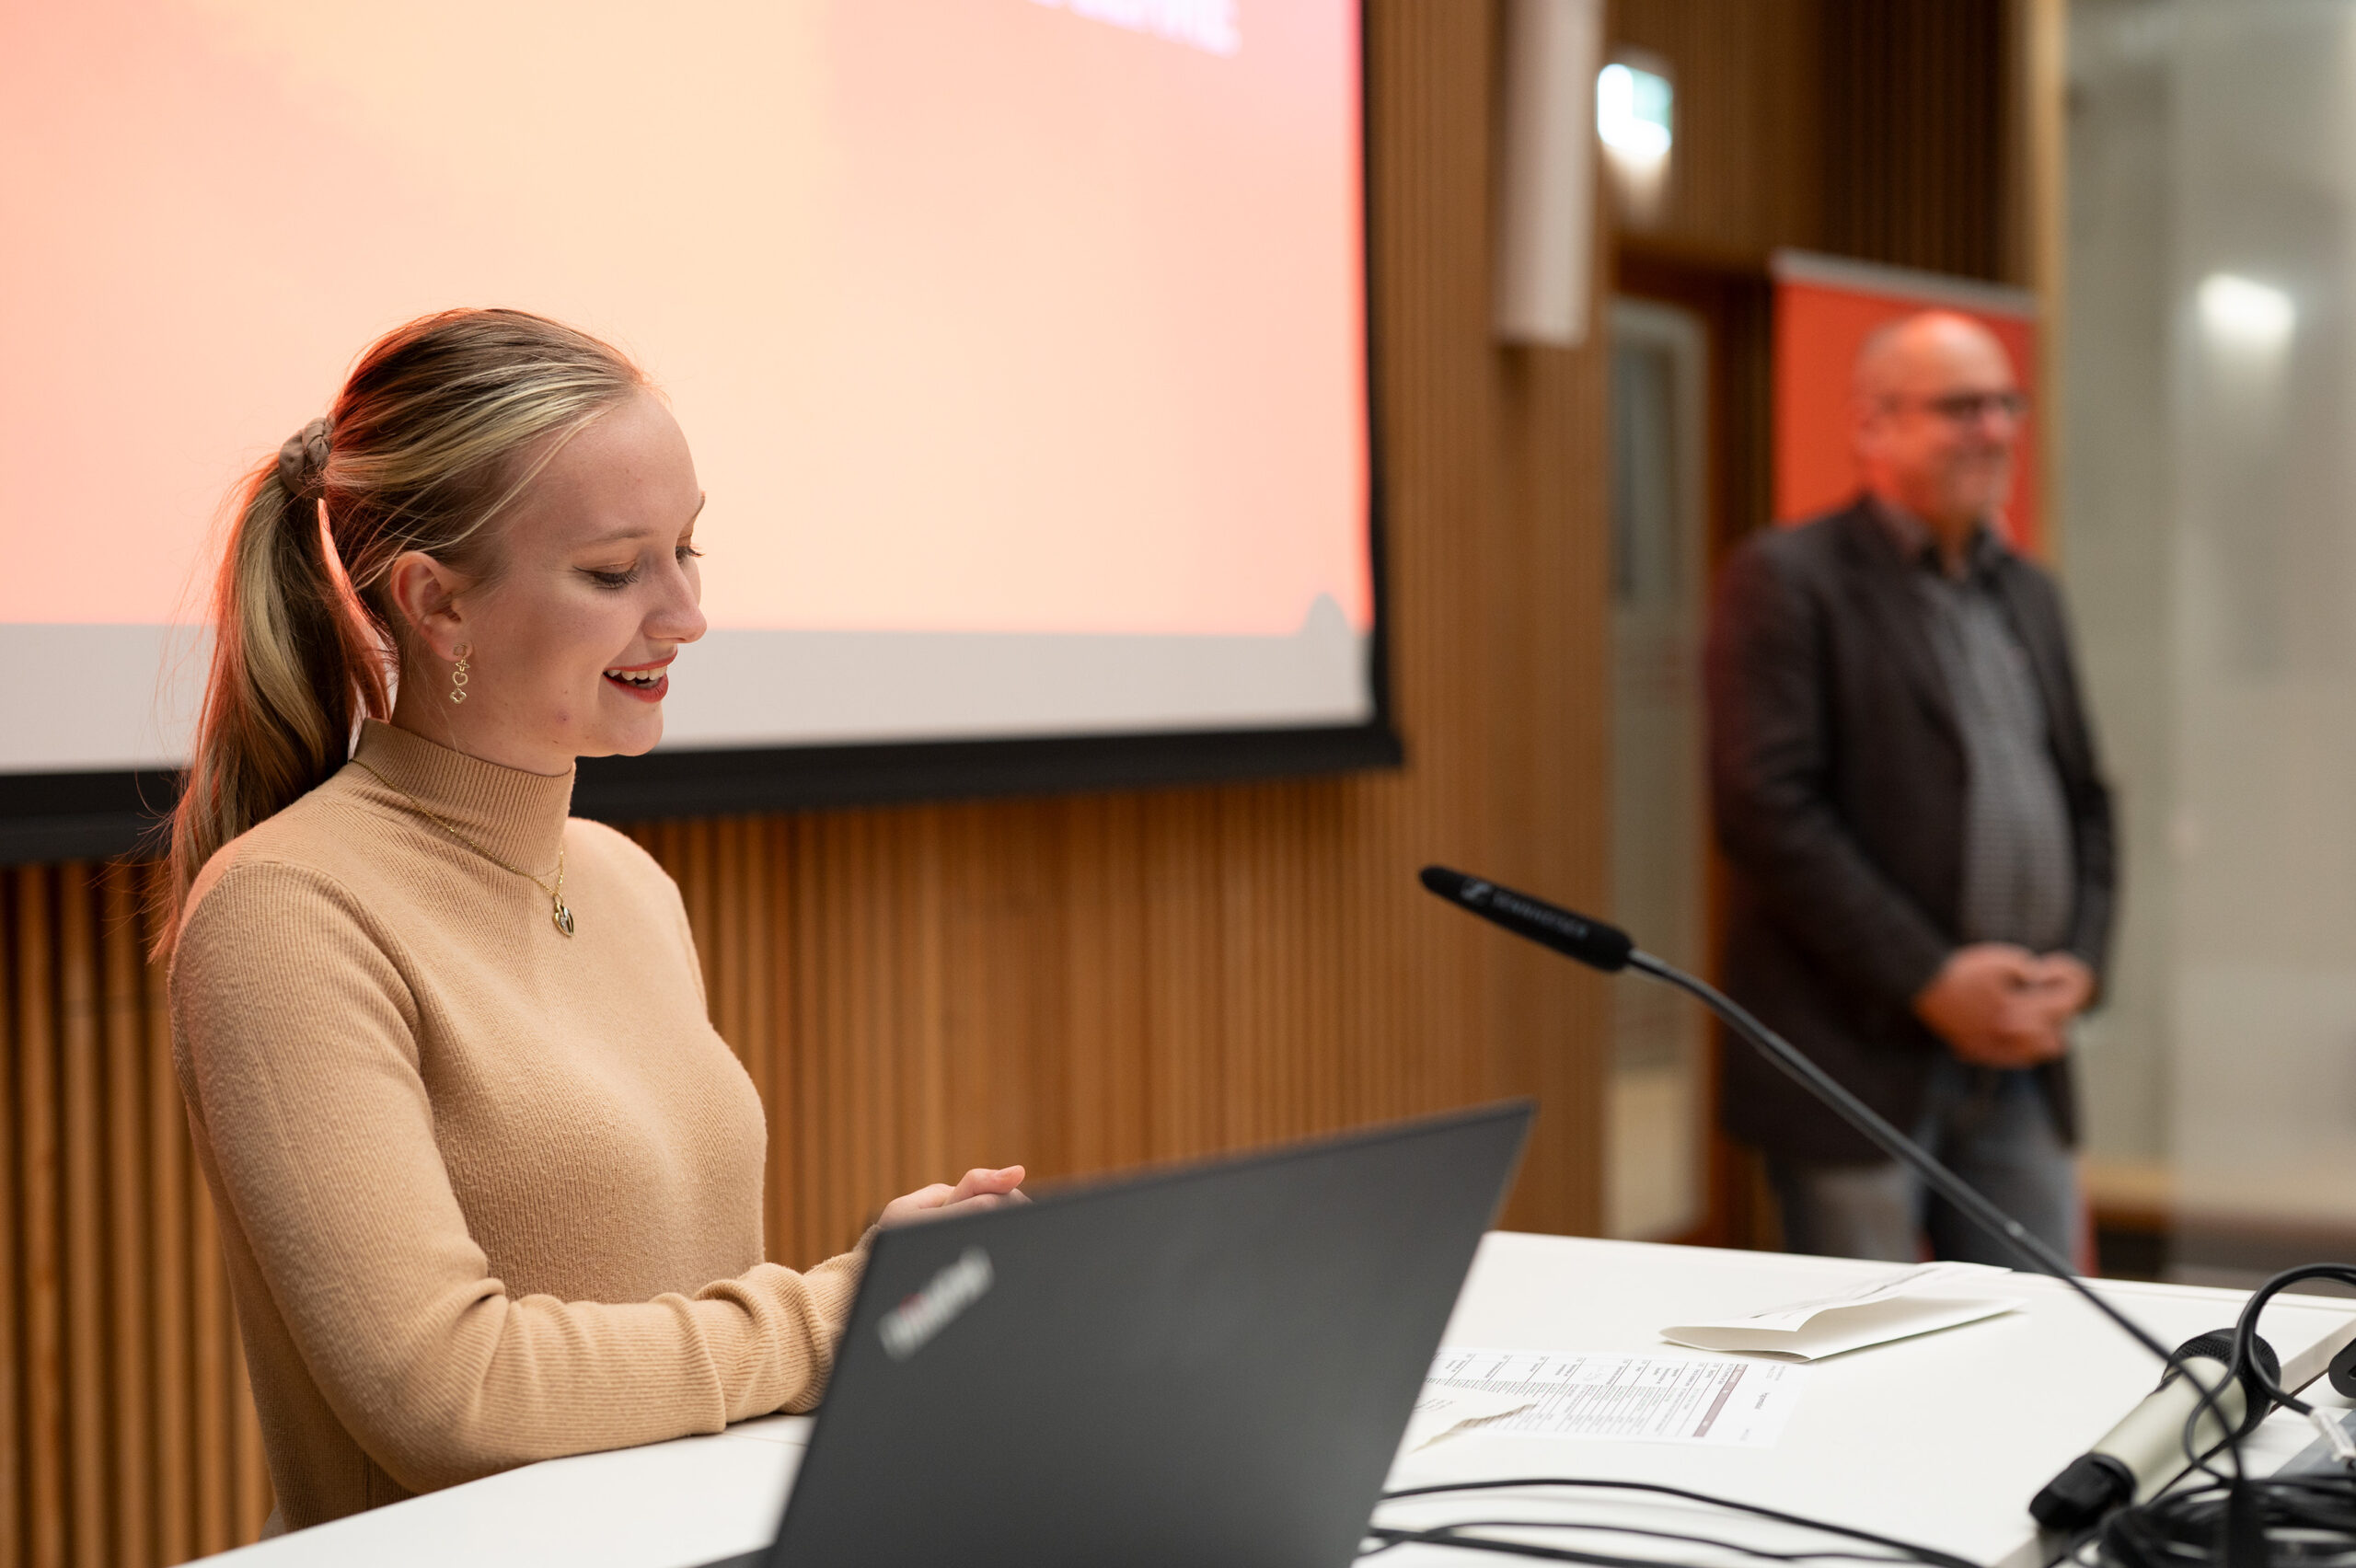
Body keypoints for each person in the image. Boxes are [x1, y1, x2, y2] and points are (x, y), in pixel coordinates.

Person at [161, 308, 1027, 1533]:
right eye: (617, 571)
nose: (683, 614)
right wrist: (841, 1315)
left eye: (688, 551)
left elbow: (675, 1343)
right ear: (434, 605)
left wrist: (891, 1284)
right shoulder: (285, 914)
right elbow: (443, 1393)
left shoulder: (627, 884)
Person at [1703, 310, 2115, 1265]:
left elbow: (2090, 802)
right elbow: (1767, 812)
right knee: (1873, 1360)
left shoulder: (2028, 592)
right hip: (1855, 1056)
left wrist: (2079, 970)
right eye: (1959, 408)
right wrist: (1930, 980)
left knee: (2044, 1348)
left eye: (2004, 403)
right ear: (1872, 425)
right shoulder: (1786, 580)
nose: (1994, 430)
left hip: (2020, 1055)